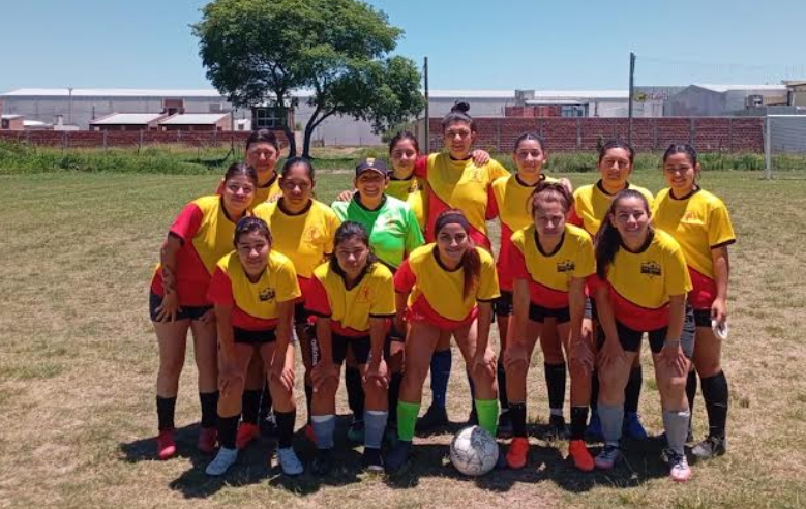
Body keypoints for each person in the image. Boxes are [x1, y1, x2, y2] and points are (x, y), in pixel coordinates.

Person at [414, 102, 509, 432]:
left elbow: (522, 189)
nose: (457, 138)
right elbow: (389, 176)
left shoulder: (490, 167)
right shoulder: (427, 164)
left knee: (475, 345)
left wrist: (560, 182)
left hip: (475, 266)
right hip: (437, 263)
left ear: (474, 136)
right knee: (439, 337)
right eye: (451, 133)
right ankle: (437, 407)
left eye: (463, 133)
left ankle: (475, 408)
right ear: (442, 136)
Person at [150, 162, 256, 460]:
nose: (239, 193)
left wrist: (219, 305)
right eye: (234, 186)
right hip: (168, 295)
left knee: (207, 365)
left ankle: (209, 428)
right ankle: (165, 431)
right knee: (171, 363)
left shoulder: (250, 222)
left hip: (207, 304)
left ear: (254, 194)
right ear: (223, 185)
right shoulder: (199, 209)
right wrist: (170, 294)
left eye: (247, 189)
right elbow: (167, 249)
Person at [590, 189, 695, 482]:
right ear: (612, 219)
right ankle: (611, 445)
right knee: (610, 375)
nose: (632, 220)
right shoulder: (604, 248)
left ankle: (676, 451)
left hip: (667, 317)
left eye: (638, 214)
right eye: (623, 215)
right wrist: (611, 340)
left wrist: (673, 343)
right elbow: (602, 299)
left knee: (673, 381)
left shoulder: (668, 248)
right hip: (624, 317)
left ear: (650, 216)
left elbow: (678, 300)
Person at [386, 210, 501, 473]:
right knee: (413, 376)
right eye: (445, 237)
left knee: (485, 372)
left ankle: (489, 442)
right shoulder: (420, 258)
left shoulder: (482, 260)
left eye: (460, 237)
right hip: (426, 315)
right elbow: (400, 288)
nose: (452, 244)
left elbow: (485, 308)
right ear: (434, 238)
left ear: (469, 238)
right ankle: (404, 442)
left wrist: (482, 351)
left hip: (466, 316)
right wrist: (400, 325)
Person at [236, 157, 340, 447]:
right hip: (268, 301)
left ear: (313, 186)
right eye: (290, 183)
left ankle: (312, 422)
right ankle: (252, 421)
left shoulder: (326, 215)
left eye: (303, 184)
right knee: (260, 363)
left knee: (312, 362)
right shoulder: (262, 212)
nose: (296, 190)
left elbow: (333, 261)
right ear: (280, 183)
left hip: (309, 305)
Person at [502, 182, 596, 471]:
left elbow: (578, 293)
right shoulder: (520, 240)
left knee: (581, 364)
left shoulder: (580, 240)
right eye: (543, 218)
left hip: (570, 305)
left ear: (567, 215)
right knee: (515, 363)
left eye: (557, 218)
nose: (550, 224)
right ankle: (520, 438)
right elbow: (520, 293)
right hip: (534, 305)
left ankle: (577, 441)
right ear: (533, 217)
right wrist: (516, 341)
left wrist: (579, 342)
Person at [331, 157, 424, 443]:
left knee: (394, 357)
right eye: (364, 178)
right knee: (355, 357)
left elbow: (416, 257)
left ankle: (392, 419)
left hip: (394, 296)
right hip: (353, 294)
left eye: (376, 178)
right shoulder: (339, 209)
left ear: (387, 181)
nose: (370, 183)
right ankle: (360, 416)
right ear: (355, 182)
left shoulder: (402, 210)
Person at [652, 144, 736, 459]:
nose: (677, 174)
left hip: (702, 299)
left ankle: (716, 439)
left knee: (707, 366)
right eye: (671, 168)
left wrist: (721, 297)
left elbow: (720, 257)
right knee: (680, 366)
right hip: (670, 298)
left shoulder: (711, 205)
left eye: (683, 168)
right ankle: (681, 431)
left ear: (696, 168)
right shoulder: (659, 200)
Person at [569, 140, 654, 441]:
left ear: (631, 166)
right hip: (594, 287)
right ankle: (596, 415)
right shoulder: (582, 196)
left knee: (630, 356)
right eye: (609, 161)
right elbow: (571, 237)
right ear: (598, 164)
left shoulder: (643, 197)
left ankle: (630, 415)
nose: (615, 168)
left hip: (630, 290)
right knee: (594, 349)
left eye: (622, 162)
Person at [204, 217, 303, 476]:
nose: (253, 253)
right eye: (245, 246)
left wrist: (280, 362)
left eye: (260, 245)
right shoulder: (225, 268)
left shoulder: (282, 267)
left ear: (271, 244)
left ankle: (285, 447)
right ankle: (226, 448)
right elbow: (223, 323)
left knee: (282, 383)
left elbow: (285, 321)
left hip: (273, 331)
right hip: (239, 332)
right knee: (229, 384)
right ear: (235, 247)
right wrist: (227, 365)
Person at [488, 132, 571, 438]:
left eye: (535, 153)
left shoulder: (557, 190)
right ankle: (508, 413)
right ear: (513, 157)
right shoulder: (498, 186)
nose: (529, 159)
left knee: (551, 348)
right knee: (511, 347)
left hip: (546, 279)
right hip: (510, 277)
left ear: (544, 156)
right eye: (523, 153)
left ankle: (556, 416)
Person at [305, 221, 397, 473]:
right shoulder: (321, 275)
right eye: (344, 252)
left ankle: (372, 451)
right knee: (324, 382)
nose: (352, 257)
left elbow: (379, 323)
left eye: (358, 250)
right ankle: (324, 451)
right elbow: (321, 323)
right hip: (331, 331)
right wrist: (325, 363)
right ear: (334, 252)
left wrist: (377, 362)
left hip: (366, 332)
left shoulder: (380, 274)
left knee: (377, 382)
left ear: (368, 249)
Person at [216, 129, 283, 207]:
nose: (262, 158)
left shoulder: (286, 187)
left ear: (277, 155)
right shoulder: (232, 186)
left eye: (267, 153)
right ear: (246, 154)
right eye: (256, 153)